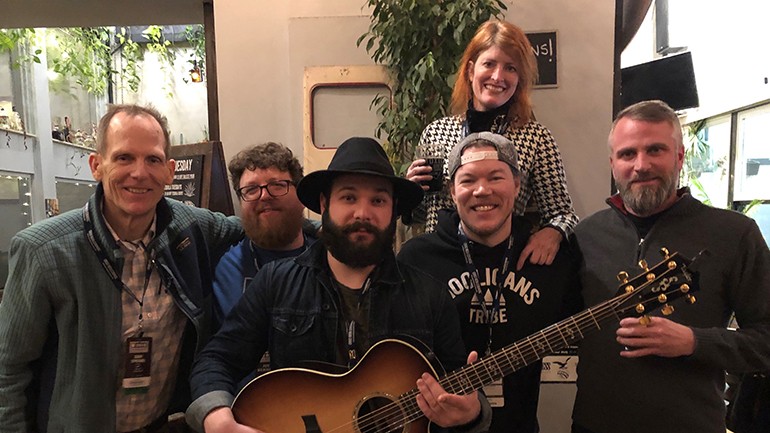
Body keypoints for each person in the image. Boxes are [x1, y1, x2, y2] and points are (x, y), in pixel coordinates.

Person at [186, 137, 491, 433]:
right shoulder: (276, 283)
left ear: (393, 210)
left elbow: (456, 387)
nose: (362, 212)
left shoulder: (430, 295)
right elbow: (217, 359)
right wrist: (216, 418)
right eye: (348, 197)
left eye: (378, 200)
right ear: (324, 203)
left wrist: (472, 413)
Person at [0, 104, 243, 433]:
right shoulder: (44, 252)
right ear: (96, 165)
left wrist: (327, 231)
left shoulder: (188, 228)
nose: (140, 173)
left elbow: (257, 228)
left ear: (170, 171)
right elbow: (7, 372)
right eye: (124, 157)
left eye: (153, 159)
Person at [571, 100, 770, 433]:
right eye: (627, 154)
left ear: (679, 157)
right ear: (612, 163)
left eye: (655, 150)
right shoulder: (584, 236)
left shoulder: (735, 234)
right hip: (594, 425)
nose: (641, 165)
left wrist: (695, 342)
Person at [399, 132, 582, 433]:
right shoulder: (415, 259)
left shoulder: (551, 260)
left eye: (496, 177)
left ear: (518, 185)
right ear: (452, 191)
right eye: (468, 180)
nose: (482, 191)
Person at [406, 19, 578, 270]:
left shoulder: (536, 137)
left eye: (510, 68)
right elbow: (423, 215)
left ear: (520, 78)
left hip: (502, 268)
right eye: (489, 64)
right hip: (442, 265)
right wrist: (411, 193)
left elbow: (563, 213)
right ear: (470, 70)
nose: (498, 76)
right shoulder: (435, 133)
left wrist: (552, 232)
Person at [213, 142, 319, 325]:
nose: (264, 196)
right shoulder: (218, 263)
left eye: (277, 185)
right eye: (251, 189)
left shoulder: (329, 261)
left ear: (301, 197)